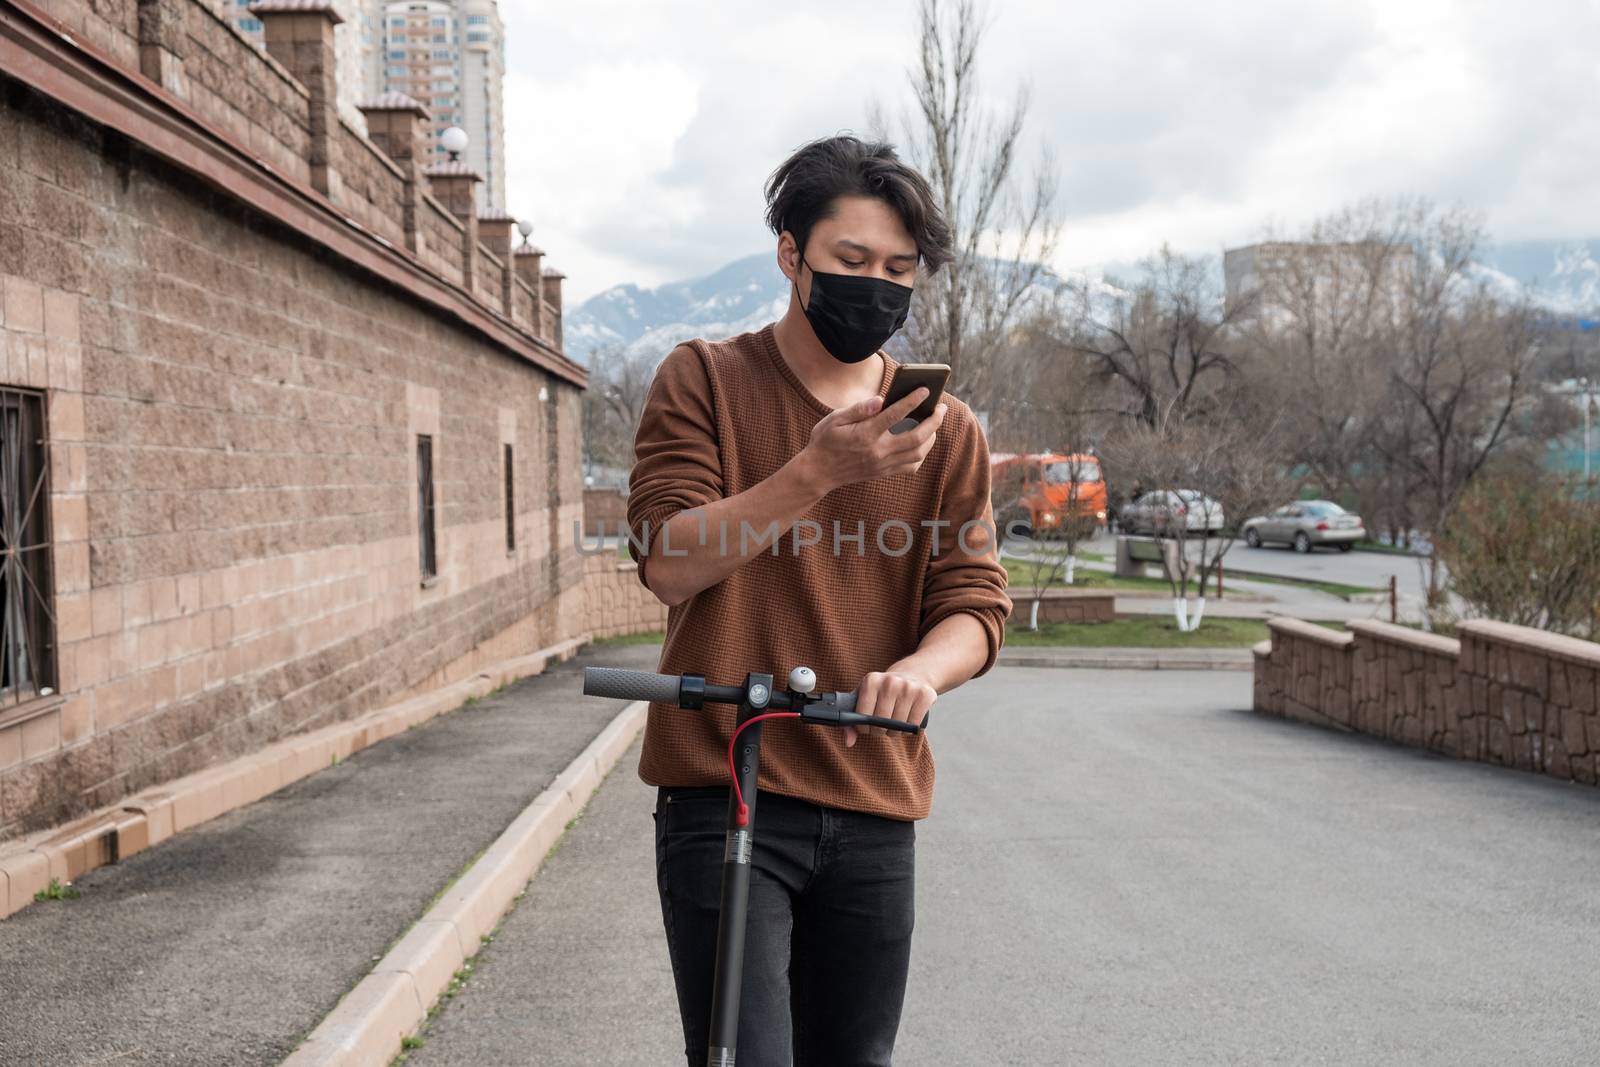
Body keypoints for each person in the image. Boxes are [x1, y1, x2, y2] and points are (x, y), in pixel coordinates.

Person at [626, 134, 1012, 1066]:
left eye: (898, 269)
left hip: (874, 792)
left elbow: (975, 601)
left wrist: (922, 670)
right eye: (850, 261)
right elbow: (668, 559)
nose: (875, 285)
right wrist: (815, 471)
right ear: (791, 253)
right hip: (728, 786)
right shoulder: (706, 380)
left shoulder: (944, 431)